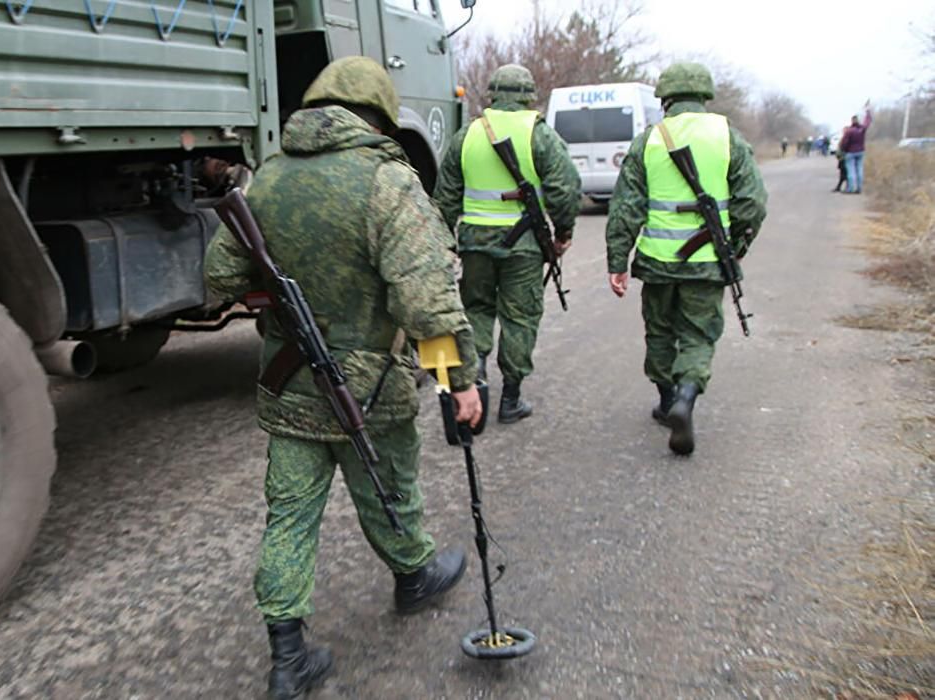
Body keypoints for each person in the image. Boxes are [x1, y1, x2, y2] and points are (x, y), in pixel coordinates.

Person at [203, 56, 483, 700]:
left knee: (290, 515)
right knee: (385, 483)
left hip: (290, 384)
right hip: (370, 387)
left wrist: (268, 296)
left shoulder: (269, 179)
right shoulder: (389, 182)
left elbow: (219, 279)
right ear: (381, 115)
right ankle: (414, 574)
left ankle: (287, 655)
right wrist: (457, 381)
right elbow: (426, 304)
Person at [603, 62, 767, 455]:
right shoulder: (728, 136)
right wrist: (735, 246)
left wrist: (617, 263)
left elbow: (625, 208)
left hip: (657, 263)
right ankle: (687, 396)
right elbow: (753, 203)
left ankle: (666, 400)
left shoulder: (649, 140)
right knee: (697, 334)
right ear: (705, 96)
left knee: (660, 332)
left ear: (666, 98)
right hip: (708, 262)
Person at [432, 63, 580, 422]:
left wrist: (445, 243)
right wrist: (562, 234)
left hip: (475, 243)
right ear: (530, 96)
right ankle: (510, 400)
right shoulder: (540, 134)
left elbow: (444, 198)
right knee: (520, 316)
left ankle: (476, 381)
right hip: (523, 247)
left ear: (492, 95)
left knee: (477, 310)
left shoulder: (467, 135)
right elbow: (565, 190)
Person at [840, 103, 872, 193]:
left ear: (851, 121)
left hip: (850, 152)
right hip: (860, 152)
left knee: (851, 171)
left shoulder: (849, 131)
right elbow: (868, 121)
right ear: (858, 121)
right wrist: (868, 111)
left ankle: (850, 188)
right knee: (860, 169)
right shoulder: (862, 129)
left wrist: (843, 150)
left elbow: (844, 142)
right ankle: (859, 188)